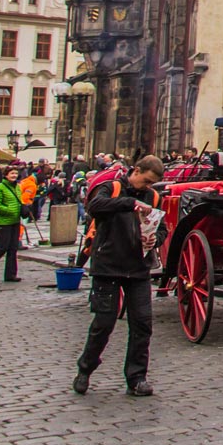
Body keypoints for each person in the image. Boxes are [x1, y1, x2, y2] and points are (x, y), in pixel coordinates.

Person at [74, 155, 165, 397]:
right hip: (108, 266)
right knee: (104, 323)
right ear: (136, 171)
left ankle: (137, 378)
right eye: (146, 181)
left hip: (138, 268)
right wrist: (129, 203)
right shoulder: (111, 187)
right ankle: (85, 368)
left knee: (142, 324)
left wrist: (156, 239)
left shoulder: (153, 196)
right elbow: (95, 207)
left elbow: (162, 227)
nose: (147, 187)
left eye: (151, 184)